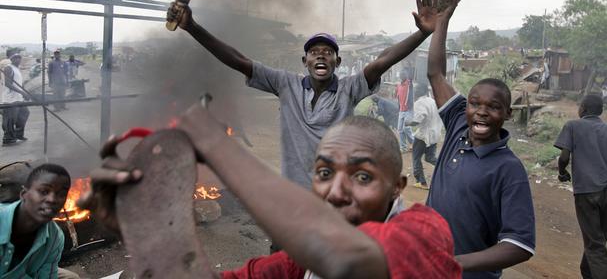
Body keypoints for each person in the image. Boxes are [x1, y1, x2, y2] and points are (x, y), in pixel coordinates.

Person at [79, 114, 462, 278]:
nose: (336, 193)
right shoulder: (300, 265)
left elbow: (349, 261)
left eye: (362, 175)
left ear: (398, 186)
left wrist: (213, 142)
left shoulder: (424, 230)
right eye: (324, 173)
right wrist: (149, 230)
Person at [166, 0, 445, 189]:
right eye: (314, 52)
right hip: (292, 200)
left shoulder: (349, 88)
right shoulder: (285, 84)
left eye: (327, 52)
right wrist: (192, 27)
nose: (321, 55)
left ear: (337, 61)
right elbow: (238, 60)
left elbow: (381, 61)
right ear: (305, 61)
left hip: (335, 197)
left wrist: (421, 33)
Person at [422, 0, 535, 278]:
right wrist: (443, 20)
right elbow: (436, 74)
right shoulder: (460, 124)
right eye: (475, 104)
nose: (482, 111)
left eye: (493, 107)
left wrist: (455, 264)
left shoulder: (509, 169)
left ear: (508, 114)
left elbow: (519, 245)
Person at [554, 94, 607, 279]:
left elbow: (564, 157)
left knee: (595, 245)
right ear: (601, 111)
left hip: (587, 193)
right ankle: (588, 273)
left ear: (582, 108)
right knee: (598, 241)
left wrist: (562, 172)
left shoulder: (572, 126)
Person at [0, 163, 80, 279]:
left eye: (61, 194)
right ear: (24, 194)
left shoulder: (54, 237)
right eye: (44, 191)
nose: (52, 200)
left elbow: (47, 275)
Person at [408, 84, 443, 190]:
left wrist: (407, 123)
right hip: (435, 134)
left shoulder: (419, 103)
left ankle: (421, 182)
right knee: (430, 157)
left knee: (416, 158)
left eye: (416, 89)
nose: (414, 92)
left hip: (424, 136)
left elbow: (417, 120)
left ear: (420, 92)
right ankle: (446, 169)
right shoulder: (432, 101)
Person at [2, 53, 30, 146]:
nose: (18, 59)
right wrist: (22, 92)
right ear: (11, 59)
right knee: (10, 119)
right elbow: (8, 83)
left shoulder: (17, 69)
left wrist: (25, 92)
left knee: (25, 113)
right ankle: (8, 139)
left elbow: (19, 83)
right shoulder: (8, 68)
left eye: (19, 58)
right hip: (10, 99)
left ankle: (18, 134)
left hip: (18, 98)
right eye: (15, 58)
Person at [395, 69, 414, 153]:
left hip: (409, 110)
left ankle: (414, 143)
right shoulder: (398, 85)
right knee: (400, 130)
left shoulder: (409, 84)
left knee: (406, 128)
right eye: (401, 76)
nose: (403, 77)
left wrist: (409, 79)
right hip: (401, 110)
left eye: (404, 76)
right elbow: (397, 96)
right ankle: (403, 147)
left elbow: (411, 82)